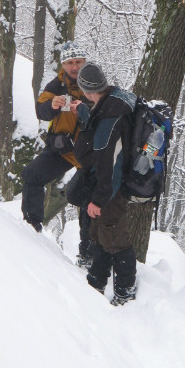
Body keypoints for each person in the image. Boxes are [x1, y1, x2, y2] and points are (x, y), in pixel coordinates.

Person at [73, 61, 137, 305]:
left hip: (112, 190)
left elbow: (107, 164)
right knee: (101, 235)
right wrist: (84, 113)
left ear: (88, 91)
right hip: (110, 188)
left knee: (116, 240)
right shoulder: (111, 102)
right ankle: (96, 283)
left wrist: (99, 199)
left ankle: (125, 294)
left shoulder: (109, 122)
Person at [21, 42, 93, 259]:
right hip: (61, 148)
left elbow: (105, 108)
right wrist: (52, 105)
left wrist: (83, 108)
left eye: (78, 62)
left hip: (88, 152)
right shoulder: (56, 85)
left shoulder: (93, 82)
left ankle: (87, 252)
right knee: (31, 175)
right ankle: (31, 227)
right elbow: (40, 110)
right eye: (70, 63)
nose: (74, 67)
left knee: (87, 198)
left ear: (84, 63)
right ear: (64, 64)